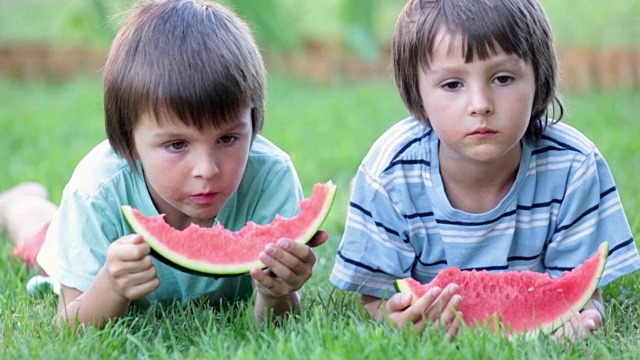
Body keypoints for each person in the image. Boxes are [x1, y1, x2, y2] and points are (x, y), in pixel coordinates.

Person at [330, 0, 640, 340]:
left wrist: (585, 316)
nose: (480, 105)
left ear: (539, 80)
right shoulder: (389, 174)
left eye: (503, 78)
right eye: (452, 85)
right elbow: (375, 295)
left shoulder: (574, 166)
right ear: (418, 99)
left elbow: (581, 289)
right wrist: (396, 318)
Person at [9, 0, 328, 328]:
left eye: (228, 139)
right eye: (176, 145)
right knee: (38, 239)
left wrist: (277, 292)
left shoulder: (270, 177)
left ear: (254, 124)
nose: (207, 169)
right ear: (128, 141)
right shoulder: (97, 190)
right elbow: (67, 327)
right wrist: (111, 286)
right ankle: (20, 203)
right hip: (81, 240)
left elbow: (279, 328)